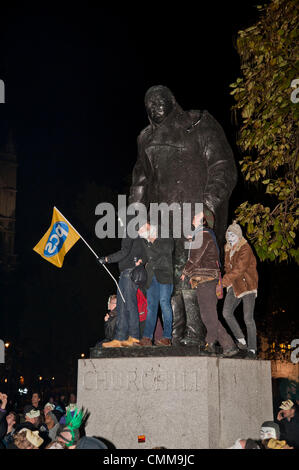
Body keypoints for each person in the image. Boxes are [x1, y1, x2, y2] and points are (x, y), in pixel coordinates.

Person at [129, 85, 238, 346]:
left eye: (160, 99)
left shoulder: (199, 123)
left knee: (193, 274)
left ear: (172, 100)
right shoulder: (146, 139)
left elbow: (223, 166)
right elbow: (140, 182)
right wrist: (137, 215)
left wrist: (208, 204)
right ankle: (173, 334)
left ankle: (195, 333)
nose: (155, 105)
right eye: (149, 102)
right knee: (167, 276)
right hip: (162, 219)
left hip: (195, 216)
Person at [181, 211, 238, 357]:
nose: (192, 217)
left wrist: (185, 272)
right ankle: (228, 345)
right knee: (209, 315)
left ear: (202, 220)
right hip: (207, 279)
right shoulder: (202, 235)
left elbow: (195, 258)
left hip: (206, 279)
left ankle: (211, 344)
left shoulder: (203, 235)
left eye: (196, 215)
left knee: (208, 315)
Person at [99, 229, 147, 348]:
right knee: (121, 306)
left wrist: (106, 259)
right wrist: (142, 260)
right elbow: (145, 252)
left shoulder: (130, 231)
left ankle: (134, 336)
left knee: (130, 304)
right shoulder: (137, 234)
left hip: (129, 273)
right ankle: (120, 338)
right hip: (126, 274)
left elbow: (124, 252)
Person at [221, 221, 259, 359]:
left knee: (248, 318)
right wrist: (226, 282)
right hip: (234, 285)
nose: (230, 237)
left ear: (238, 235)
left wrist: (223, 283)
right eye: (228, 234)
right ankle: (241, 340)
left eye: (232, 234)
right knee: (226, 313)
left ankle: (252, 350)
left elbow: (239, 269)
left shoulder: (245, 248)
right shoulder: (227, 249)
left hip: (247, 285)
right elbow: (227, 268)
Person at [138, 222, 174, 346]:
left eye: (144, 228)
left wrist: (150, 240)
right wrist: (141, 260)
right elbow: (148, 256)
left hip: (164, 276)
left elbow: (166, 250)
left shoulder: (165, 236)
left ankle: (167, 337)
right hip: (151, 278)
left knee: (164, 303)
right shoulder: (146, 242)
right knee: (151, 307)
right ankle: (147, 338)